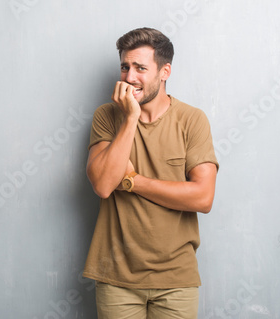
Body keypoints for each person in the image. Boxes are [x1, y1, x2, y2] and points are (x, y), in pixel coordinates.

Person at [83, 27, 219, 319]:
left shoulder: (192, 120)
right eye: (125, 67)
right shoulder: (107, 116)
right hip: (116, 275)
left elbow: (203, 197)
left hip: (176, 279)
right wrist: (131, 116)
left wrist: (133, 181)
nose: (130, 77)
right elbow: (105, 186)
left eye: (140, 68)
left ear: (164, 71)